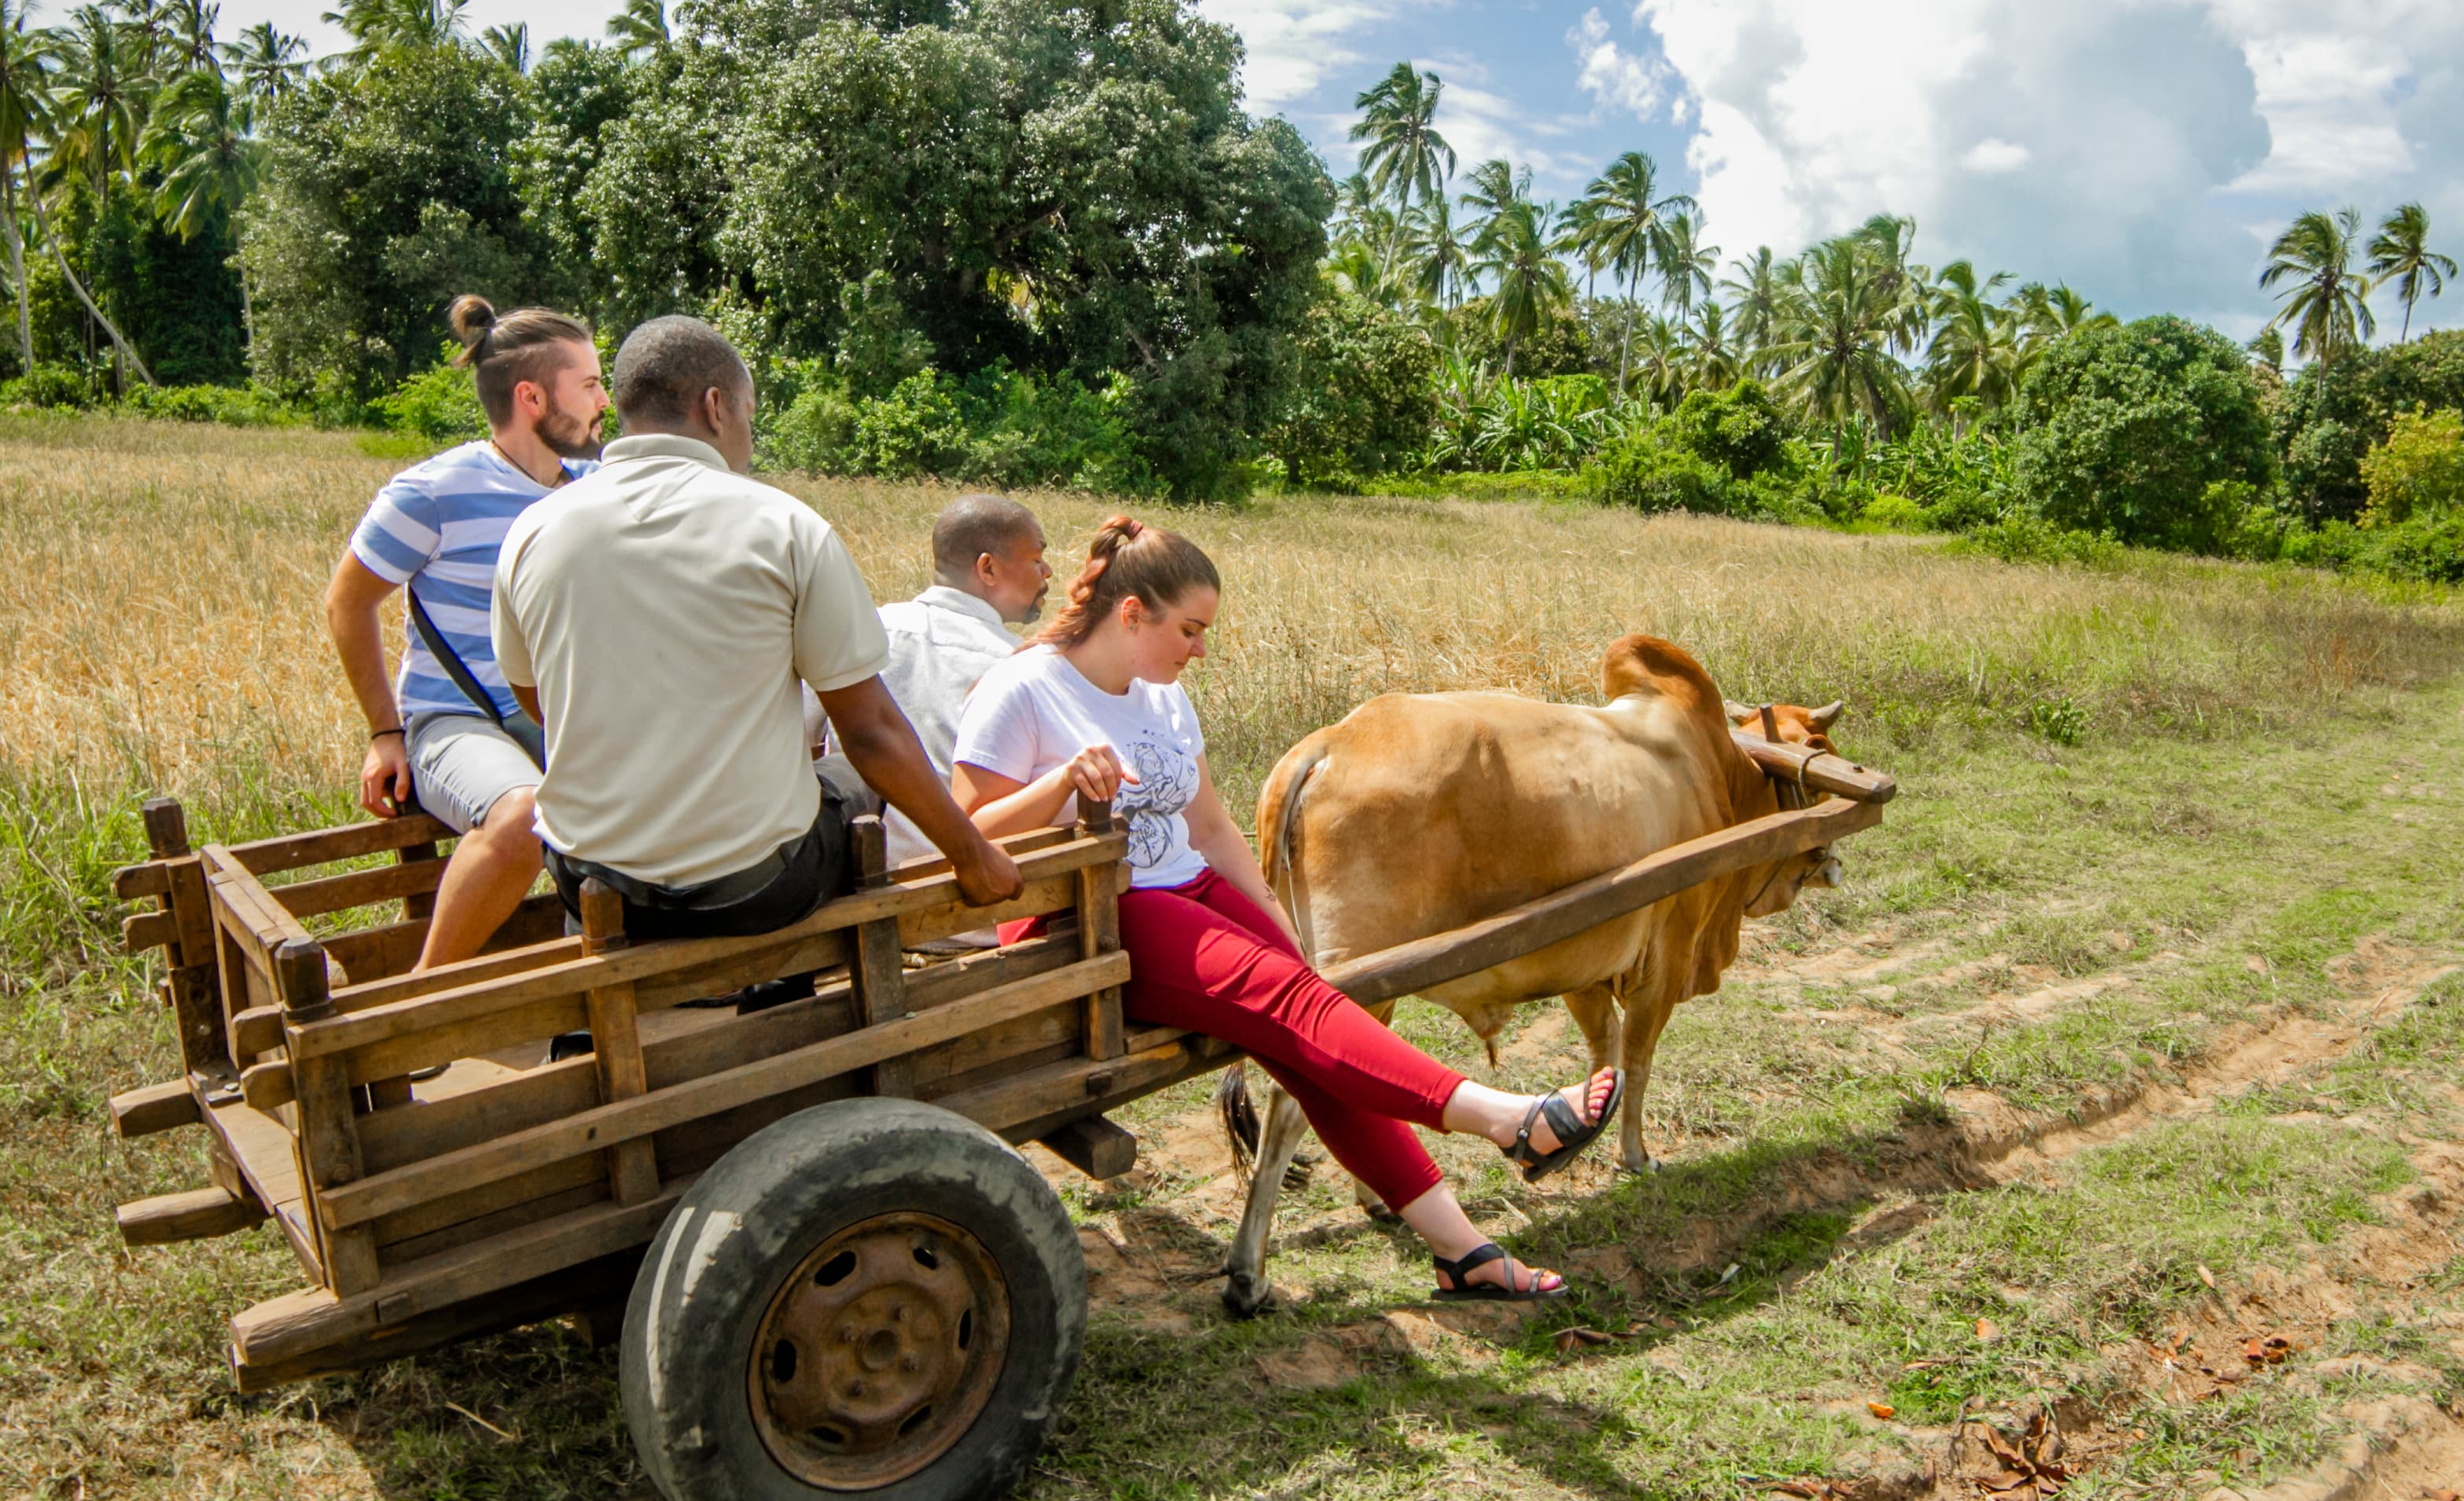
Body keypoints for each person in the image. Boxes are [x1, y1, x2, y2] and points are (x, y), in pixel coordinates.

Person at [952, 517, 1619, 1302]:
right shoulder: (1025, 686)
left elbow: (1208, 827)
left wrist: (1275, 922)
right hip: (1095, 913)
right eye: (1190, 630)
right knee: (1298, 1005)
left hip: (1186, 890)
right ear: (1131, 613)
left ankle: (1461, 1251)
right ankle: (1507, 1119)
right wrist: (1061, 783)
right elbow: (962, 840)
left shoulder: (1163, 699)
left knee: (1314, 1022)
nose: (1200, 650)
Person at [490, 318, 1020, 960]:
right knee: (854, 775)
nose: (747, 431)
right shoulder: (785, 527)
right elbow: (871, 730)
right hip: (753, 890)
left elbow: (536, 698)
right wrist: (971, 855)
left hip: (589, 881)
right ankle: (784, 983)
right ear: (715, 407)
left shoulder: (532, 531)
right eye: (748, 411)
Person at [323, 297, 603, 971]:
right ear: (532, 396)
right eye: (591, 385)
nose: (605, 402)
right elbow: (347, 603)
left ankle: (596, 992)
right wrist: (384, 733)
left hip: (562, 714)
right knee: (521, 815)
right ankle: (426, 997)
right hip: (458, 720)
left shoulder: (598, 483)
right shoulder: (432, 492)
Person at [805, 494, 1051, 868]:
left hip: (861, 883)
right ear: (987, 569)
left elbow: (797, 739)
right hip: (980, 892)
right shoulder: (1023, 664)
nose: (1047, 572)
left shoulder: (865, 630)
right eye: (1036, 559)